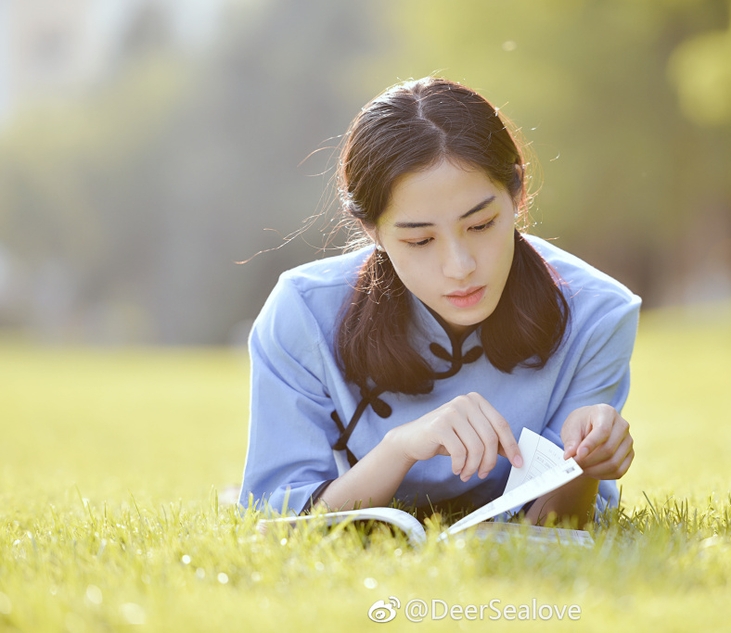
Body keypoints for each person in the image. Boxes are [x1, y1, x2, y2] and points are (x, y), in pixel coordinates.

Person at [239, 77, 641, 526]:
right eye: (420, 239)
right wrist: (400, 448)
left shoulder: (597, 314)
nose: (459, 266)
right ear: (373, 232)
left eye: (481, 225)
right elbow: (275, 515)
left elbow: (551, 527)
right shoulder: (304, 313)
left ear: (517, 194)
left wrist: (586, 463)